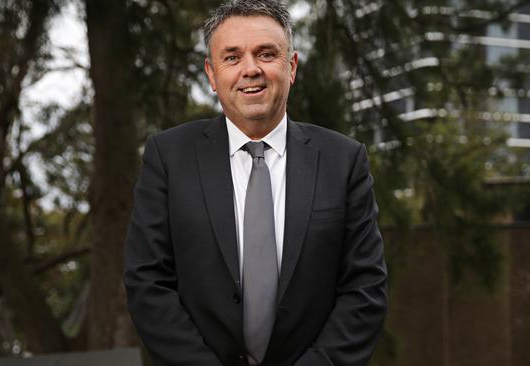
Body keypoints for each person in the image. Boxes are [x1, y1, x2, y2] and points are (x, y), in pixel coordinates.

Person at [124, 1, 388, 365]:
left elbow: (365, 289)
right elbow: (148, 282)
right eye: (232, 57)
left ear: (291, 66)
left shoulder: (343, 160)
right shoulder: (168, 157)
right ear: (212, 75)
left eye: (266, 54)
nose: (251, 69)